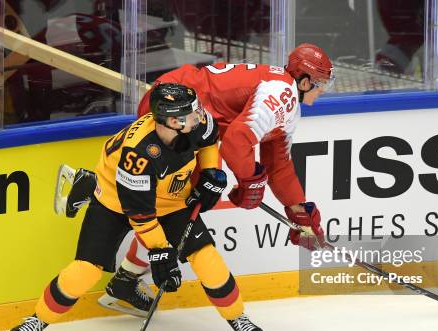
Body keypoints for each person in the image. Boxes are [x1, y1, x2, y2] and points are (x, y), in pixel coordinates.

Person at [9, 83, 264, 331]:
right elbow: (140, 215)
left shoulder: (195, 123)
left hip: (169, 201)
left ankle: (237, 316)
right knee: (84, 271)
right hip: (114, 201)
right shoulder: (138, 155)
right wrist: (161, 252)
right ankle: (38, 318)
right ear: (173, 121)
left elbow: (210, 142)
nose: (199, 115)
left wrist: (211, 172)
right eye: (191, 113)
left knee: (207, 258)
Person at [62, 43, 334, 282]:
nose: (323, 91)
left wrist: (299, 211)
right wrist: (250, 180)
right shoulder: (282, 95)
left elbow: (278, 164)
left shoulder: (286, 99)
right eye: (321, 83)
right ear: (305, 81)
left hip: (192, 119)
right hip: (178, 111)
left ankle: (127, 275)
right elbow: (237, 142)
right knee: (167, 204)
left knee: (176, 203)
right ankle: (95, 191)